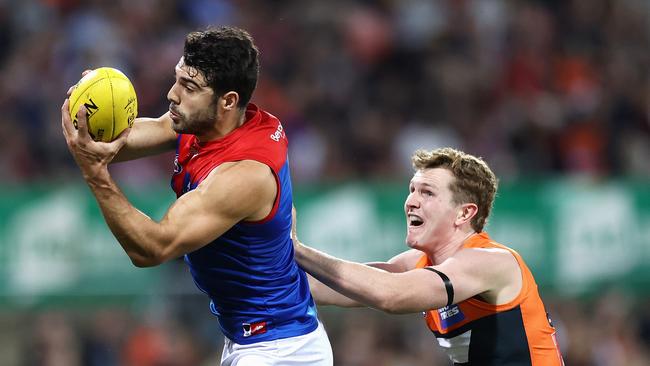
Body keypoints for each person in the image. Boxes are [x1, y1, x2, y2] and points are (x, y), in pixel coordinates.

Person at [61, 26, 332, 366]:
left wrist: (95, 174)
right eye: (177, 79)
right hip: (254, 340)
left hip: (281, 350)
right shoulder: (208, 123)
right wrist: (90, 116)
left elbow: (153, 248)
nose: (172, 95)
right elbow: (116, 143)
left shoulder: (244, 174)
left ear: (228, 101)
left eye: (189, 87)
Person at [292, 147, 565, 365]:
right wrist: (263, 260)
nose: (411, 201)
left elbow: (390, 295)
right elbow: (330, 287)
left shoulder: (492, 261)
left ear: (464, 213)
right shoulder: (418, 263)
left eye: (427, 193)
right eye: (412, 190)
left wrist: (298, 249)